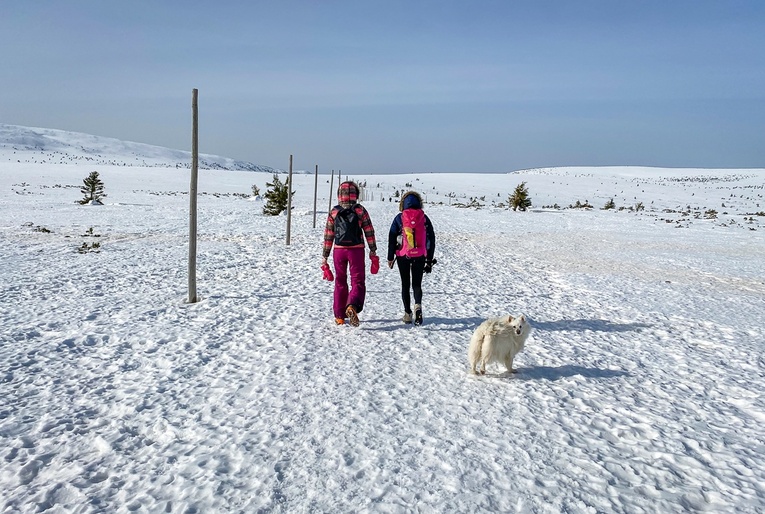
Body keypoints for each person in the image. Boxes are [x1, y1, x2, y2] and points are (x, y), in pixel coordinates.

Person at [322, 181, 378, 326]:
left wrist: (325, 256)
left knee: (340, 281)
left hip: (339, 251)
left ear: (339, 195)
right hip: (357, 250)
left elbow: (329, 235)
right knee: (357, 281)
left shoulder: (334, 212)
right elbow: (369, 231)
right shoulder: (360, 210)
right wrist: (373, 250)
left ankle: (339, 316)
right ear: (356, 195)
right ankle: (352, 305)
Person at [387, 191, 436, 325]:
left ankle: (408, 314)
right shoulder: (424, 218)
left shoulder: (399, 218)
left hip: (403, 255)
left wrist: (390, 257)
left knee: (405, 284)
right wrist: (429, 259)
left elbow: (392, 237)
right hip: (420, 255)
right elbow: (431, 238)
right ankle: (418, 306)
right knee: (416, 284)